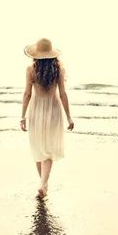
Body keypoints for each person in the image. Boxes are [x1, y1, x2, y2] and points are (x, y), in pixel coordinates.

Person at [20, 38, 74, 198]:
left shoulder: (30, 70)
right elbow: (63, 94)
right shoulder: (59, 70)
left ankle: (43, 184)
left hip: (36, 110)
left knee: (38, 147)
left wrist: (22, 116)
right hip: (54, 109)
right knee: (48, 149)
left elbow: (27, 94)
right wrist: (69, 117)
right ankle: (43, 184)